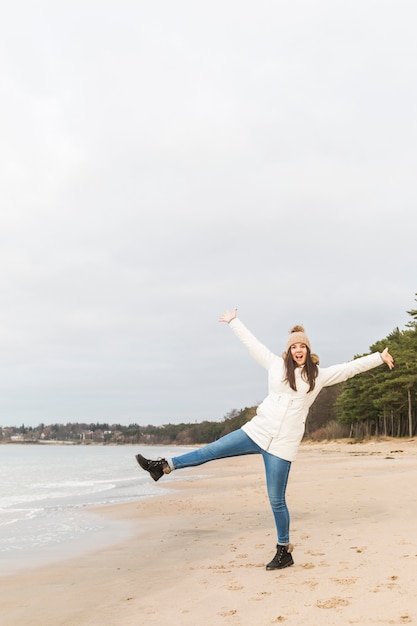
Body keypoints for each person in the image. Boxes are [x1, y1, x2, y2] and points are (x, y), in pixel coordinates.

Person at [135, 309, 394, 570]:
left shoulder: (317, 376)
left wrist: (379, 358)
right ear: (289, 350)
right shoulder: (275, 366)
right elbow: (252, 344)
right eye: (294, 346)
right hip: (256, 431)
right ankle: (163, 466)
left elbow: (349, 369)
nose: (299, 350)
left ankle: (284, 552)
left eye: (303, 346)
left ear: (308, 349)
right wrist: (234, 322)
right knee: (211, 450)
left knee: (276, 500)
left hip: (282, 446)